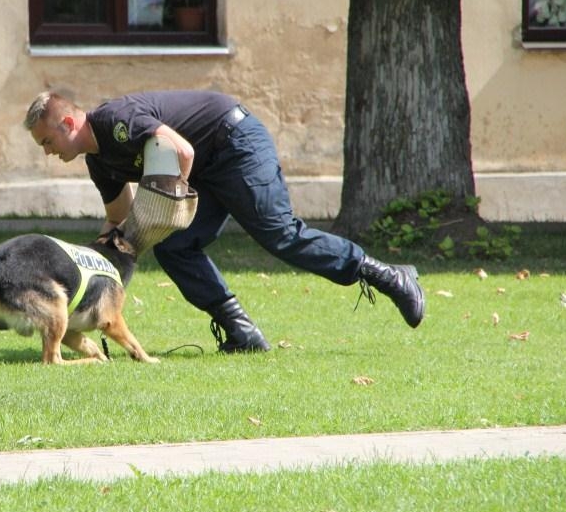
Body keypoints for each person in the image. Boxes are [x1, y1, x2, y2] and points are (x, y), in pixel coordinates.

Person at [24, 89, 425, 353]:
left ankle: (389, 276)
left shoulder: (115, 119)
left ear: (69, 123)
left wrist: (174, 195)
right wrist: (93, 274)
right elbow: (117, 222)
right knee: (174, 245)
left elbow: (180, 150)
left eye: (47, 141)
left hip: (233, 142)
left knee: (280, 234)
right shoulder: (99, 163)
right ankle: (242, 333)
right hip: (207, 166)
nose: (47, 152)